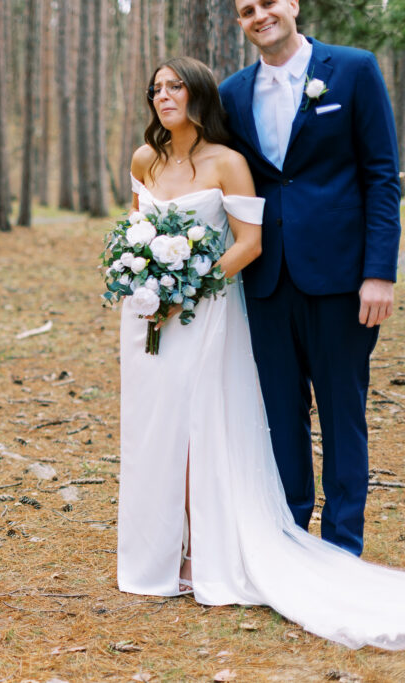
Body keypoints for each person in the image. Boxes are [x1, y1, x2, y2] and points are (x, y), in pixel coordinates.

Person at [117, 55, 405, 650]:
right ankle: (177, 549)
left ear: (198, 94)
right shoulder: (155, 152)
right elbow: (134, 230)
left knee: (308, 415)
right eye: (156, 89)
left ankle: (315, 545)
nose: (163, 95)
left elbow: (258, 235)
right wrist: (141, 277)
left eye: (175, 86)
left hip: (240, 299)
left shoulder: (237, 155)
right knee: (168, 427)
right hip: (164, 312)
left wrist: (186, 287)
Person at [218, 0, 401, 556]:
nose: (259, 15)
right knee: (280, 412)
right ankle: (290, 537)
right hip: (267, 279)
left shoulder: (353, 69)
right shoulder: (231, 94)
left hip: (343, 278)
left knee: (343, 412)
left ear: (293, 5)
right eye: (246, 9)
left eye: (268, 3)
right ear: (240, 22)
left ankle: (343, 544)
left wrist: (379, 275)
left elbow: (381, 177)